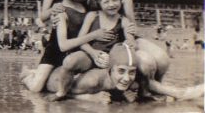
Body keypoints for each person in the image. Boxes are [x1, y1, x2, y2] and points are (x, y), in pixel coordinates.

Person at [21, 0, 114, 92]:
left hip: (75, 54)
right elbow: (63, 46)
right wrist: (94, 35)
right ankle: (27, 74)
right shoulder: (60, 11)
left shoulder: (85, 6)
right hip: (55, 54)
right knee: (36, 88)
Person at [45, 0, 137, 101]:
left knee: (127, 78)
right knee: (69, 61)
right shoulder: (92, 16)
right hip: (90, 55)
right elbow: (82, 41)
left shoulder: (123, 20)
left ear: (121, 0)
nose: (112, 4)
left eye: (115, 0)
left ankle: (121, 93)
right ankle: (61, 92)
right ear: (99, 3)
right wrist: (94, 53)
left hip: (109, 60)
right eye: (106, 2)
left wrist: (130, 42)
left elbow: (130, 43)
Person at [46, 43, 204, 103]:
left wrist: (122, 95)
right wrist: (88, 97)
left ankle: (182, 92)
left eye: (132, 72)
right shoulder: (93, 81)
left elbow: (146, 83)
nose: (126, 78)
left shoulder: (128, 81)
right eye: (121, 71)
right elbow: (59, 88)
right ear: (110, 70)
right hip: (53, 78)